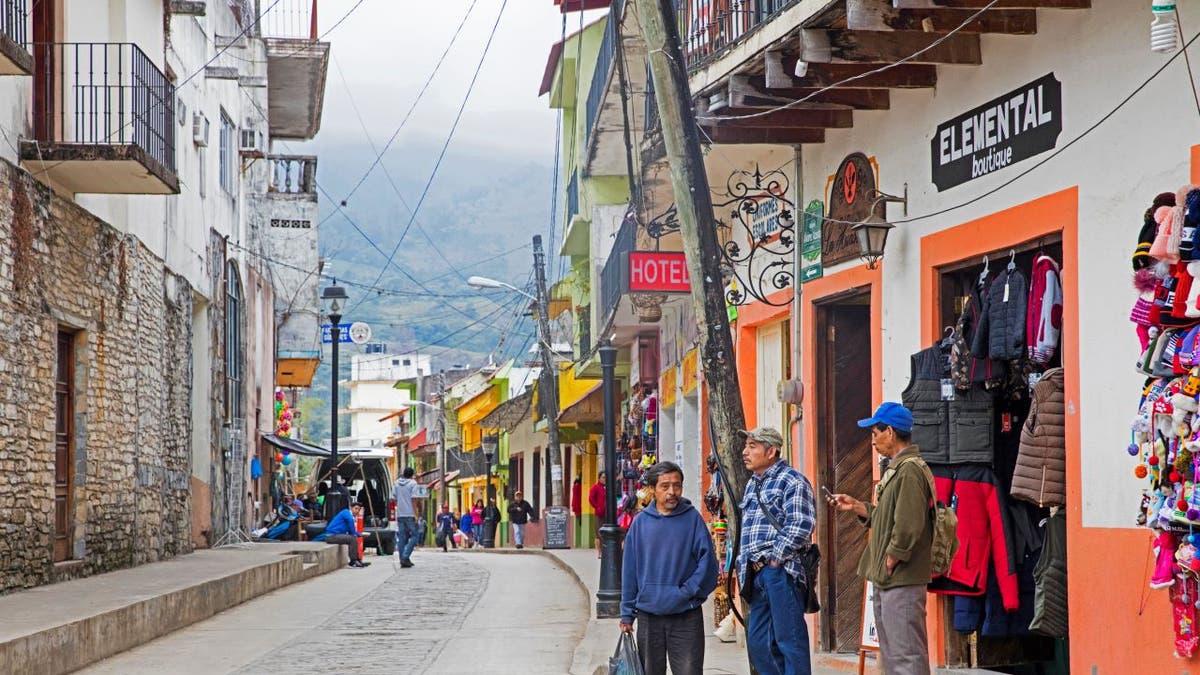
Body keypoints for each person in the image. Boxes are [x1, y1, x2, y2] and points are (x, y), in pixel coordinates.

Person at [831, 403, 933, 675]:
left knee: (906, 656)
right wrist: (857, 507)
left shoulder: (910, 469)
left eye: (875, 432)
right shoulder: (898, 468)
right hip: (890, 577)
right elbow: (889, 518)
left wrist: (891, 560)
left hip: (901, 576)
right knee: (892, 657)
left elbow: (909, 526)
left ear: (890, 431)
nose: (873, 439)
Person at [619, 461, 717, 675]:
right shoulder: (640, 523)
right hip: (648, 615)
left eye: (677, 485)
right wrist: (627, 613)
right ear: (652, 489)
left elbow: (708, 564)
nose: (672, 492)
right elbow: (629, 571)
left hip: (685, 615)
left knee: (689, 671)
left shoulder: (692, 519)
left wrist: (688, 592)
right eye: (665, 486)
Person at [738, 426, 816, 675]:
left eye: (752, 446)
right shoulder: (752, 485)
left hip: (781, 571)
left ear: (771, 451)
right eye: (746, 446)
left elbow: (801, 523)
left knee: (789, 641)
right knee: (759, 643)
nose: (745, 452)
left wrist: (775, 559)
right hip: (755, 573)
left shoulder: (792, 480)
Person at [318, 502, 370, 568]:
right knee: (352, 539)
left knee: (353, 538)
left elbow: (352, 532)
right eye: (355, 509)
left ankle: (357, 560)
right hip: (331, 536)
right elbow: (351, 525)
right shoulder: (346, 513)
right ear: (351, 508)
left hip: (337, 535)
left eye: (358, 509)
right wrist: (359, 534)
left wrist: (360, 535)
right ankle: (353, 561)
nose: (357, 511)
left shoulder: (350, 517)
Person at [391, 467, 421, 568]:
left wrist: (400, 507)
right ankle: (405, 556)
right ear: (412, 475)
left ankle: (403, 559)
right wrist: (416, 514)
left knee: (402, 537)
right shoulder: (413, 484)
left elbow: (393, 498)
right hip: (410, 514)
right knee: (415, 535)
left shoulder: (396, 483)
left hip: (400, 514)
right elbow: (414, 500)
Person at [589, 472, 607, 557]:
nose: (604, 479)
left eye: (605, 478)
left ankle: (605, 551)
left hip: (607, 514)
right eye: (603, 477)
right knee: (598, 533)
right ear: (599, 478)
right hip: (599, 514)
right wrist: (597, 507)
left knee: (605, 533)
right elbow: (591, 499)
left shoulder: (607, 487)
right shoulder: (595, 487)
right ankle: (600, 552)